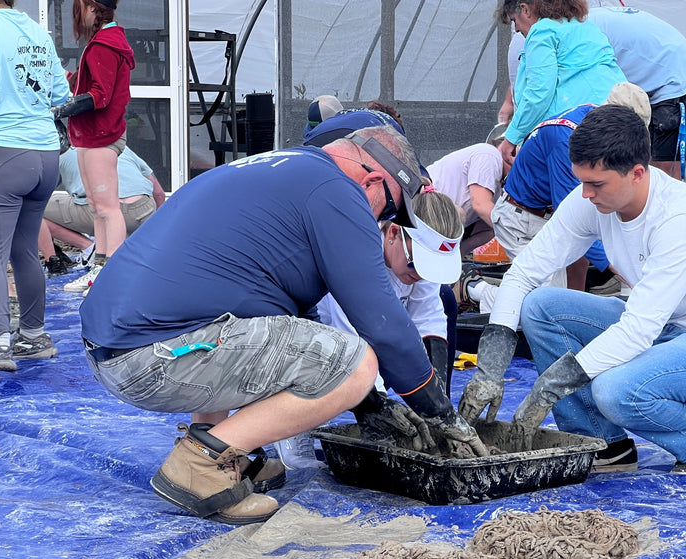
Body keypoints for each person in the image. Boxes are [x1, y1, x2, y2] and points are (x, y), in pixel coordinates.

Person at [80, 125, 485, 526]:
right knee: (358, 364)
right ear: (374, 181)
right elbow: (381, 326)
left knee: (247, 321)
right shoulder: (337, 192)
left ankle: (221, 453)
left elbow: (283, 321)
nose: (381, 219)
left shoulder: (291, 167)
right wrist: (440, 414)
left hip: (121, 344)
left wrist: (371, 405)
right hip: (151, 357)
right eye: (391, 209)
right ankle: (201, 461)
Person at [458, 105, 686, 474]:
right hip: (664, 331)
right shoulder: (595, 198)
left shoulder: (682, 218)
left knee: (615, 391)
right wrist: (491, 367)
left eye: (596, 184)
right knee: (540, 306)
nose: (584, 194)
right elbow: (523, 273)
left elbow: (638, 330)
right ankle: (606, 444)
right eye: (582, 181)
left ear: (637, 173)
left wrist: (550, 387)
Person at [277, 191, 465, 469]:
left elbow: (429, 322)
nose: (423, 276)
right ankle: (290, 424)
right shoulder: (355, 255)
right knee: (349, 367)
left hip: (366, 327)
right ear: (393, 234)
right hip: (310, 324)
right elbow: (355, 344)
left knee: (446, 300)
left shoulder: (414, 257)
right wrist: (380, 408)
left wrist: (436, 409)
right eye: (418, 265)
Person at [460, 82, 651, 313]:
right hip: (521, 221)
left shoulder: (588, 116)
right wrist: (618, 268)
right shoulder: (566, 139)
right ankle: (474, 289)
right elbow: (569, 214)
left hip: (542, 215)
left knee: (555, 296)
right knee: (541, 303)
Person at [0, 0, 70, 372]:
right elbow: (60, 95)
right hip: (44, 155)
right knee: (25, 249)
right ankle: (33, 336)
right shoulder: (37, 33)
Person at [52, 0, 135, 294]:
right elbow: (97, 86)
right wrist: (72, 83)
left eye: (78, 7)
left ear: (90, 8)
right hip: (93, 135)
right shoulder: (104, 42)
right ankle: (98, 270)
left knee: (107, 208)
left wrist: (63, 108)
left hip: (101, 135)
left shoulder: (104, 44)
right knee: (98, 207)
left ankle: (112, 275)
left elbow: (100, 95)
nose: (75, 14)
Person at [587, 6, 686, 180]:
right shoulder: (590, 19)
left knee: (663, 174)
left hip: (683, 85)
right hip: (667, 79)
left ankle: (668, 205)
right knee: (643, 163)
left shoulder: (584, 31)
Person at [495, 0, 625, 167]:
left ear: (525, 9)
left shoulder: (542, 32)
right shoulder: (586, 27)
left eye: (514, 21)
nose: (517, 29)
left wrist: (512, 137)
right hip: (619, 121)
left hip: (580, 131)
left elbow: (539, 92)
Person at [39, 145, 164, 280]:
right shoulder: (121, 147)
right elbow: (159, 193)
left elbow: (40, 191)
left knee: (31, 208)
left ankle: (62, 259)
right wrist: (158, 231)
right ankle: (108, 259)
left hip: (109, 214)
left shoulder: (66, 153)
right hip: (144, 208)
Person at [425, 140, 509, 255]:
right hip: (425, 210)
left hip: (448, 227)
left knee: (492, 225)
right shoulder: (490, 154)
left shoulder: (505, 186)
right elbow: (480, 205)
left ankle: (454, 258)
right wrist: (518, 239)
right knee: (462, 214)